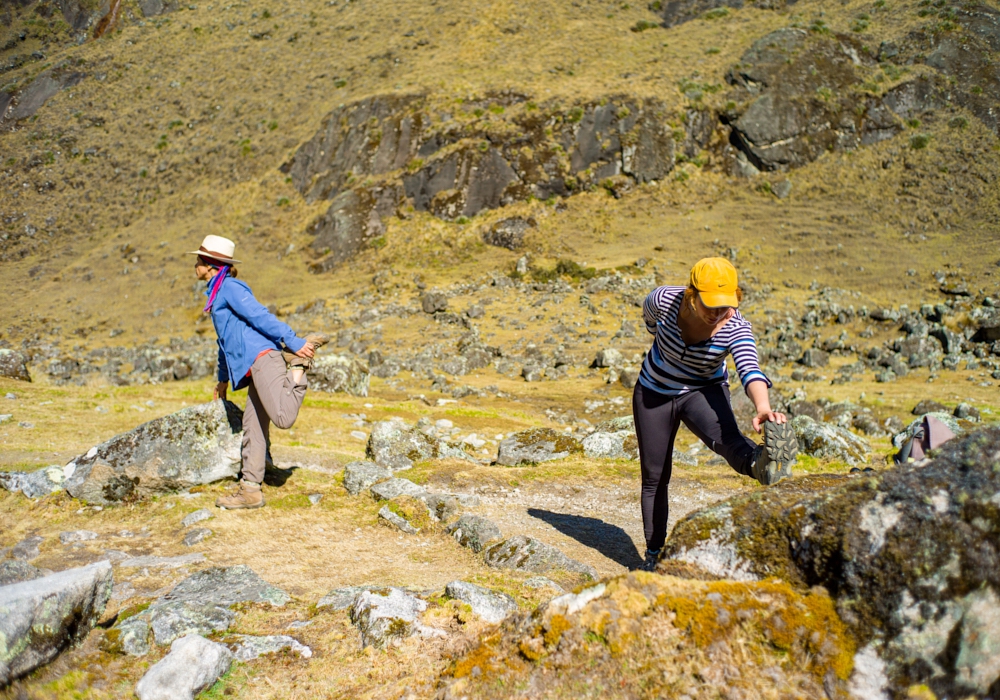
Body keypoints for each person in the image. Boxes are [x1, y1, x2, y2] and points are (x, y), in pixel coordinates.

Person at [632, 257, 797, 571]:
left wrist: (763, 408)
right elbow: (650, 320)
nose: (717, 313)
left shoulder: (736, 328)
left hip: (702, 391)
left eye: (725, 305)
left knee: (728, 441)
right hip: (653, 392)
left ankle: (761, 464)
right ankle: (654, 555)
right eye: (710, 305)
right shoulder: (664, 300)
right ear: (692, 295)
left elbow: (750, 368)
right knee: (654, 477)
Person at [190, 235, 328, 509]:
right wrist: (222, 379)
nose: (194, 264)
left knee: (282, 417)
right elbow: (224, 341)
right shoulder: (217, 294)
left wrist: (295, 343)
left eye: (198, 260)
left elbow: (260, 316)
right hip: (251, 367)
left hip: (263, 358)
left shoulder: (230, 288)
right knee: (253, 429)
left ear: (210, 264)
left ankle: (298, 368)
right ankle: (250, 490)